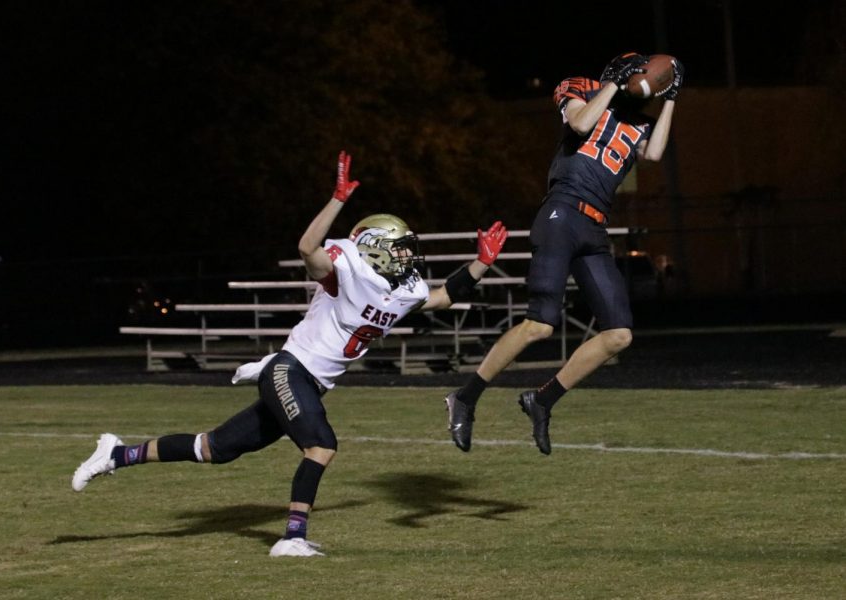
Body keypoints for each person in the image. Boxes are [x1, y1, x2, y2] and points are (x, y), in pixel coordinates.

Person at [71, 151, 508, 557]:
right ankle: (292, 537)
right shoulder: (346, 268)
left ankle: (116, 454)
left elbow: (443, 297)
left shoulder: (404, 289)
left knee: (214, 448)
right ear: (372, 246)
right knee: (322, 445)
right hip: (291, 370)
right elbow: (306, 249)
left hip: (309, 382)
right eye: (399, 249)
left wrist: (481, 263)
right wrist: (337, 199)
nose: (407, 258)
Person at [445, 52, 683, 455]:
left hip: (594, 226)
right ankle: (465, 397)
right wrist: (612, 83)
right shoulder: (580, 87)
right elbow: (580, 122)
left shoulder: (641, 119)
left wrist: (672, 96)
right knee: (540, 324)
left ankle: (542, 400)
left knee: (618, 335)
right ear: (621, 70)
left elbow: (655, 154)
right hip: (561, 211)